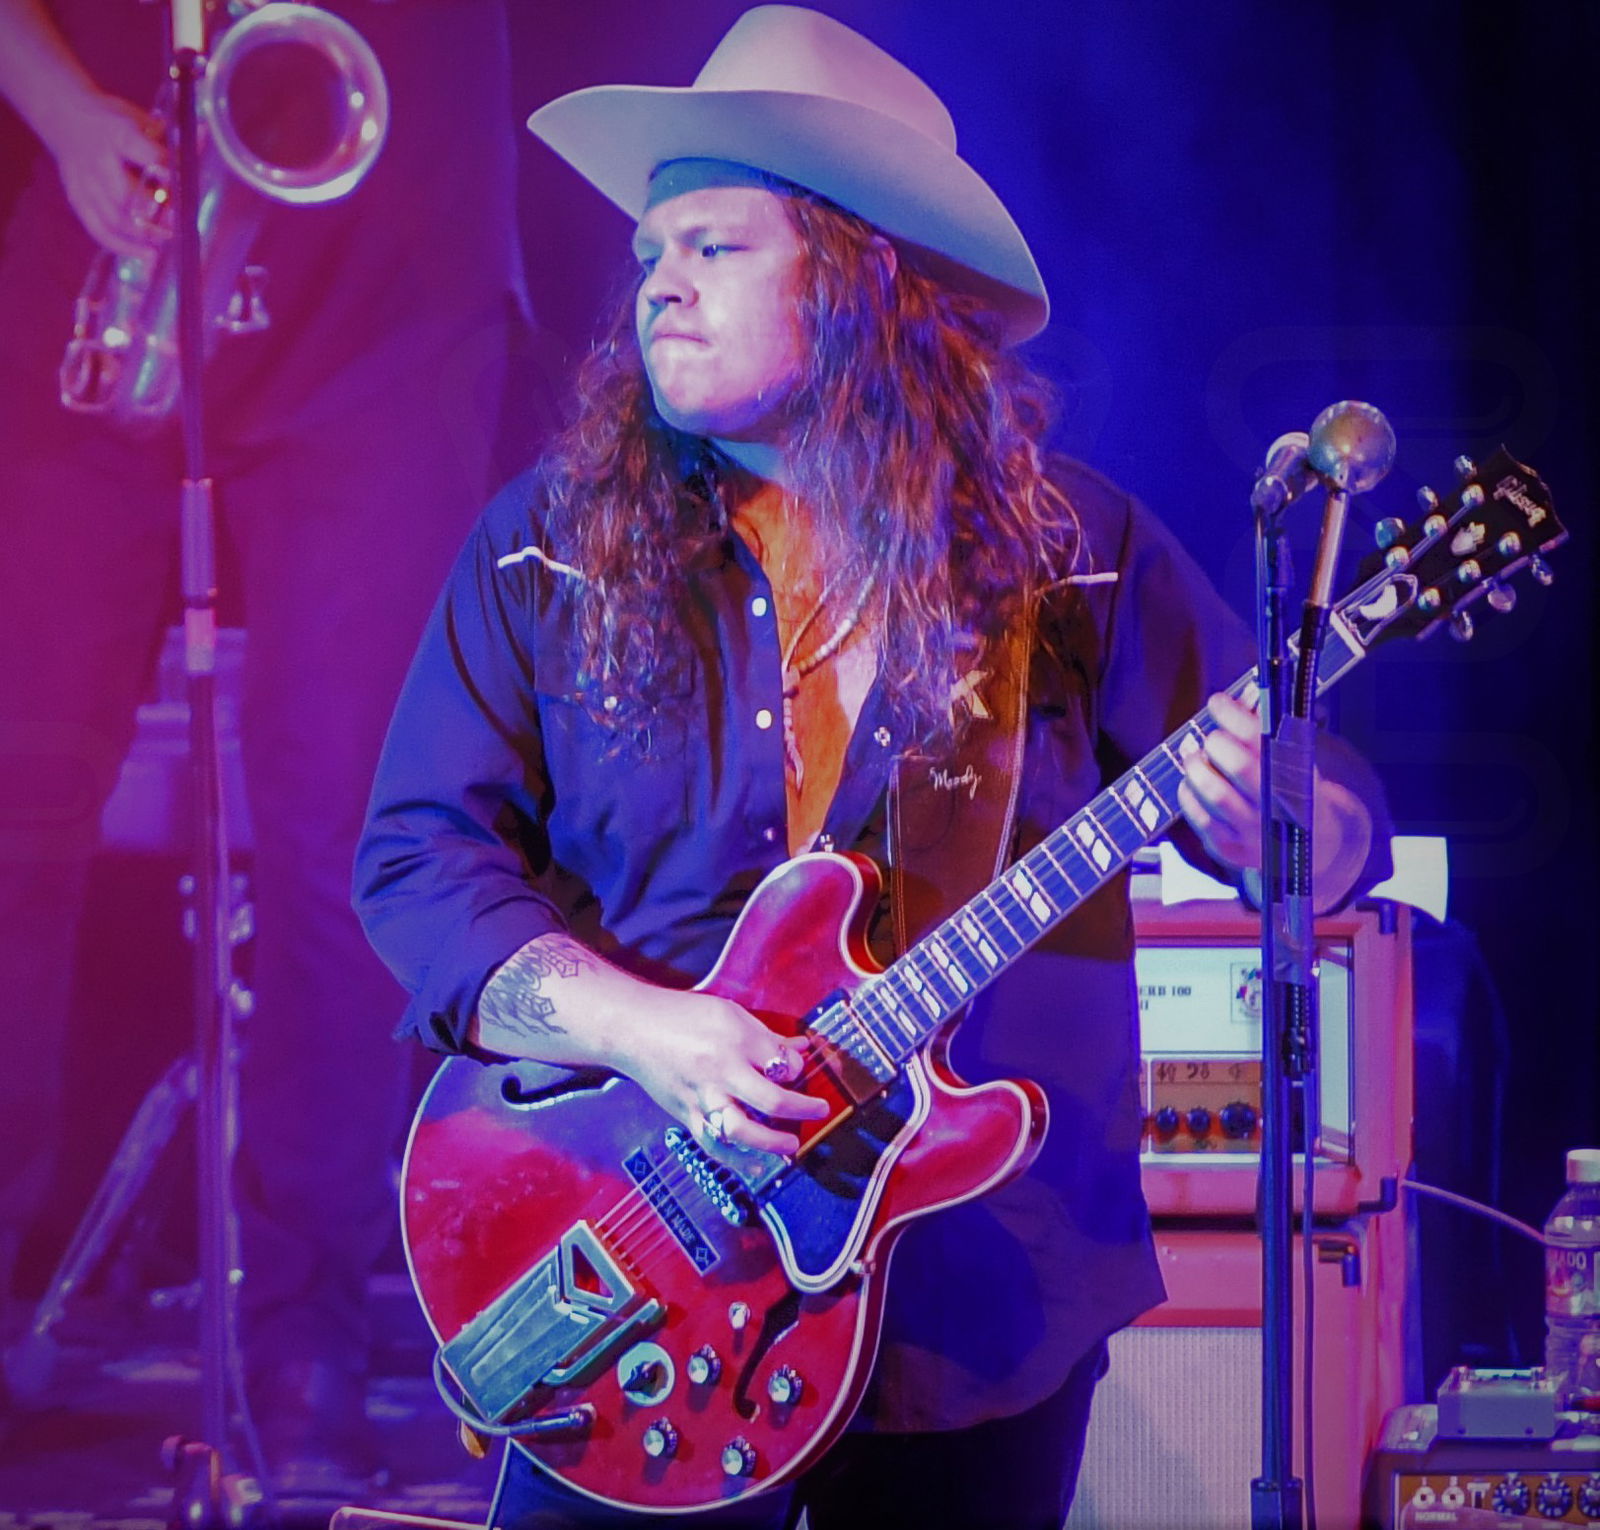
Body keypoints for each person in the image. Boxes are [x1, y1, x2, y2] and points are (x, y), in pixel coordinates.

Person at [354, 7, 1391, 1526]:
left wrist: (1281, 824)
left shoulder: (1066, 554)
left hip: (976, 1295)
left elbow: (1327, 815)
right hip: (634, 1271)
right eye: (651, 254)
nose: (658, 286)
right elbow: (413, 862)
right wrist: (649, 1032)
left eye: (715, 247)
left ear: (859, 281)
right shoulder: (546, 549)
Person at [0, 0, 527, 1498]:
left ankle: (308, 1341)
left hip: (390, 281)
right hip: (110, 223)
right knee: (13, 812)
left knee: (341, 840)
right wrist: (58, 105)